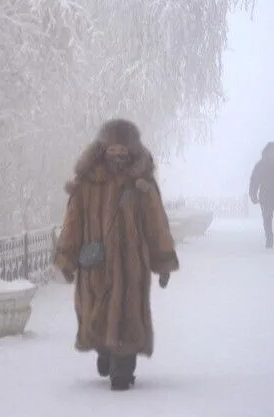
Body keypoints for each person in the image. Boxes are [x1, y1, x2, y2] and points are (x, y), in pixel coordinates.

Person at [53, 119, 179, 391]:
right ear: (103, 149)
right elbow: (73, 222)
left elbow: (156, 224)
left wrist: (163, 262)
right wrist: (67, 258)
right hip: (95, 265)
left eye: (124, 150)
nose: (118, 155)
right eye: (113, 149)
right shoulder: (87, 182)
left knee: (129, 316)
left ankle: (123, 369)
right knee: (97, 315)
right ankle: (105, 352)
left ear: (132, 150)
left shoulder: (141, 184)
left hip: (132, 266)